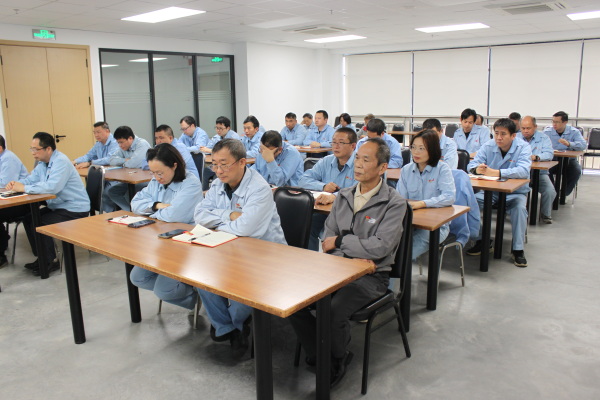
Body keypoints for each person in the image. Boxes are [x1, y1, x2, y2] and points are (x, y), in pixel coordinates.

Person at [289, 137, 407, 388]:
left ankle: (335, 359)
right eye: (358, 158)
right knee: (294, 302)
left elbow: (381, 247)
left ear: (382, 168)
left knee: (333, 311)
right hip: (336, 269)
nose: (358, 164)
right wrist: (350, 252)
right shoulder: (343, 196)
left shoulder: (394, 203)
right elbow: (326, 241)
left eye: (366, 160)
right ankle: (325, 355)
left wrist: (342, 242)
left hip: (371, 276)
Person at [194, 139, 286, 359]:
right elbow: (199, 215)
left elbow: (245, 229)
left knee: (239, 290)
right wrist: (229, 215)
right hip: (228, 248)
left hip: (264, 255)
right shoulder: (218, 183)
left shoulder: (259, 189)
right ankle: (230, 327)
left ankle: (231, 325)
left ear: (242, 162)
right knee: (201, 277)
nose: (218, 171)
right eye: (214, 165)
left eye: (224, 164)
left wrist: (217, 221)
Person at [130, 144, 203, 311]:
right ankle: (194, 298)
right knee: (137, 278)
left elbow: (173, 216)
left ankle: (201, 299)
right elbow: (135, 204)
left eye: (160, 173)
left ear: (174, 166)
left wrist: (151, 212)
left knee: (163, 291)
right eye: (153, 173)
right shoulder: (156, 181)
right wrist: (157, 205)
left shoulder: (190, 183)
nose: (156, 177)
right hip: (160, 240)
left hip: (184, 244)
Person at [5, 132, 89, 276]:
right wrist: (16, 184)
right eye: (31, 149)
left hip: (74, 208)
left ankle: (51, 261)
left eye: (35, 149)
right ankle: (42, 257)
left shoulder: (61, 161)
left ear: (48, 149)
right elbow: (31, 179)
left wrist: (23, 188)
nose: (32, 153)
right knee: (29, 219)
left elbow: (52, 187)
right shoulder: (43, 163)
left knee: (41, 222)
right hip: (58, 206)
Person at [466, 118, 531, 267]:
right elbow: (471, 165)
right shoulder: (488, 145)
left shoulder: (523, 147)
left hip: (515, 193)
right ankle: (482, 239)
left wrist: (497, 173)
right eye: (496, 133)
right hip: (492, 192)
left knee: (520, 209)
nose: (499, 138)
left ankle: (518, 249)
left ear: (513, 135)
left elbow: (523, 171)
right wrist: (477, 169)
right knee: (469, 204)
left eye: (503, 134)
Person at [397, 130, 455, 260]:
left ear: (432, 149)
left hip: (436, 227)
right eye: (413, 147)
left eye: (421, 148)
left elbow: (449, 197)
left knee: (403, 254)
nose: (415, 152)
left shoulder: (442, 169)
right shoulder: (406, 170)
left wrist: (423, 204)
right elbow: (400, 199)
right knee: (389, 245)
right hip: (410, 222)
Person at [298, 127, 358, 251]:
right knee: (305, 226)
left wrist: (334, 196)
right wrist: (323, 186)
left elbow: (359, 190)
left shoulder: (359, 164)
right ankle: (311, 260)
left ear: (353, 146)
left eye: (341, 142)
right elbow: (303, 180)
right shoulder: (326, 161)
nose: (336, 146)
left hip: (349, 213)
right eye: (333, 142)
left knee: (334, 234)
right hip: (325, 212)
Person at [72, 121, 120, 212]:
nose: (96, 135)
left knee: (105, 193)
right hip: (102, 175)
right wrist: (75, 161)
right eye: (94, 132)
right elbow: (88, 156)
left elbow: (109, 159)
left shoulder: (115, 142)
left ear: (107, 131)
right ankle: (108, 213)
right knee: (92, 192)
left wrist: (90, 163)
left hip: (115, 176)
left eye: (98, 132)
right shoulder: (98, 143)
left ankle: (113, 212)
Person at [517, 116, 556, 224]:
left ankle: (545, 214)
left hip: (539, 173)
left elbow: (549, 154)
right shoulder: (516, 137)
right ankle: (515, 213)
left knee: (550, 191)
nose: (525, 131)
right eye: (523, 128)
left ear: (535, 127)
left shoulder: (544, 138)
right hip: (520, 174)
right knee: (515, 192)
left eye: (528, 128)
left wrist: (537, 157)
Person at [0, 135, 30, 267]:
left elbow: (5, 184)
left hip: (22, 201)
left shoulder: (8, 159)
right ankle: (2, 238)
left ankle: (1, 255)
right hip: (10, 198)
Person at [107, 126, 152, 211]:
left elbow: (133, 164)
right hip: (131, 179)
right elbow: (111, 160)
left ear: (130, 138)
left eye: (121, 142)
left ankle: (134, 211)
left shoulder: (142, 144)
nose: (120, 145)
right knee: (112, 192)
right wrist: (125, 160)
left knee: (129, 193)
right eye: (118, 143)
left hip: (145, 180)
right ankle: (129, 211)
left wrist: (124, 163)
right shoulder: (124, 147)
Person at [544, 111, 587, 196]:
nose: (554, 124)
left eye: (557, 122)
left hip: (569, 160)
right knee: (544, 171)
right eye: (553, 121)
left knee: (576, 171)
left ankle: (563, 194)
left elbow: (583, 145)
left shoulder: (574, 132)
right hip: (552, 159)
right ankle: (552, 192)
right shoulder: (547, 132)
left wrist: (569, 144)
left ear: (565, 122)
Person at [198, 116, 241, 190]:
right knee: (204, 172)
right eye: (217, 128)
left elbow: (230, 152)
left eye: (221, 128)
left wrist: (211, 151)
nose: (218, 130)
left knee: (217, 174)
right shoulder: (216, 137)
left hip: (227, 165)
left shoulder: (234, 138)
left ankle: (217, 193)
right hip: (217, 164)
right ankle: (204, 193)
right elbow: (208, 148)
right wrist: (204, 149)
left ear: (228, 128)